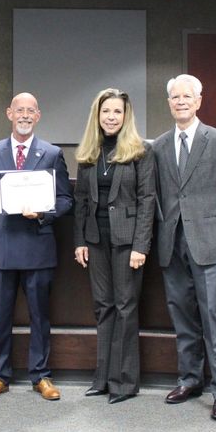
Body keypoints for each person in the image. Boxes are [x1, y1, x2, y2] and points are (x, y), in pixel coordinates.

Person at [151, 74, 216, 421]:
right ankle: (190, 379)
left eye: (187, 97)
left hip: (210, 243)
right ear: (169, 104)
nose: (180, 102)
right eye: (175, 97)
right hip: (171, 244)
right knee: (183, 316)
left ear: (199, 101)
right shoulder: (159, 146)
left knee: (214, 318)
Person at [0, 92, 72, 401]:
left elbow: (66, 199)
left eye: (31, 111)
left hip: (38, 247)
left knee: (40, 316)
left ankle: (41, 376)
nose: (25, 115)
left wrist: (44, 212)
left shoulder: (52, 153)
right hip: (0, 248)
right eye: (20, 110)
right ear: (9, 114)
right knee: (1, 316)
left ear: (38, 116)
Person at [73, 88, 155, 404]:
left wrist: (141, 246)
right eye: (106, 111)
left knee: (125, 306)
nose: (111, 117)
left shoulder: (140, 151)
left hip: (128, 241)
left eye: (117, 111)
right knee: (103, 307)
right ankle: (103, 378)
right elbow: (81, 199)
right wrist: (80, 240)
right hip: (96, 240)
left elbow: (147, 201)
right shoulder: (89, 152)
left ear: (126, 116)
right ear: (98, 115)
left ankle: (124, 382)